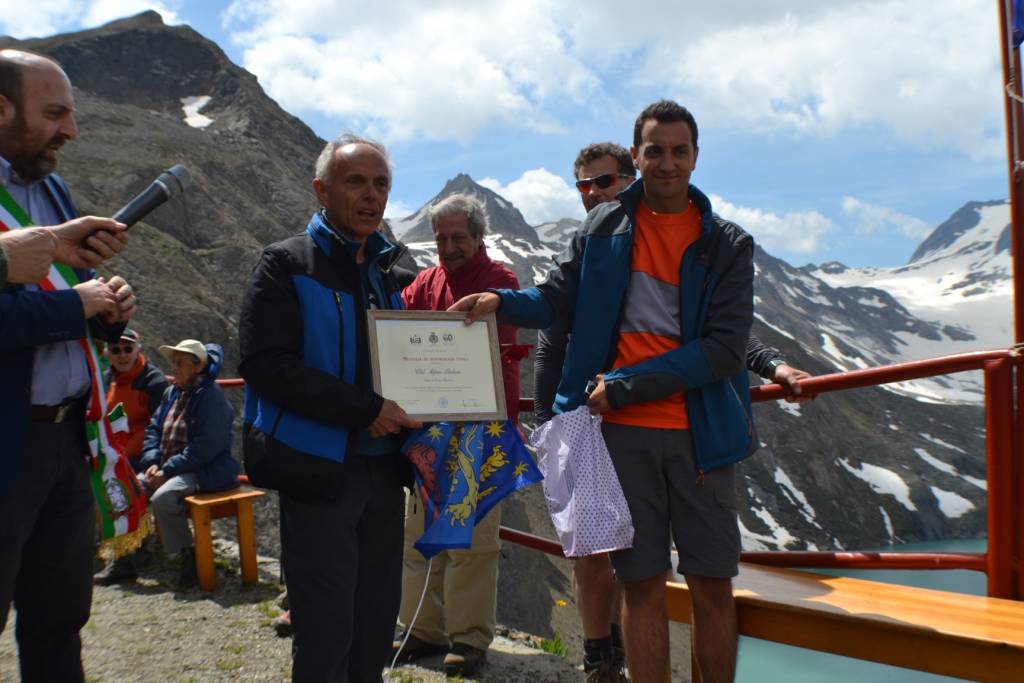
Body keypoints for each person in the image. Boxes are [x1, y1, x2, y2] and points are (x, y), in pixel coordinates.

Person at [452, 100, 757, 683]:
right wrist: (501, 303)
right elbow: (556, 298)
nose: (667, 163)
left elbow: (723, 349)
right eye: (655, 151)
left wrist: (625, 385)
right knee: (640, 585)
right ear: (637, 157)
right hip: (620, 436)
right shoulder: (603, 226)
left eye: (679, 150)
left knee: (712, 587)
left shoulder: (727, 244)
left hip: (700, 437)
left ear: (695, 157)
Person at [535, 142, 813, 682]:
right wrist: (551, 420)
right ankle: (601, 661)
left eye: (604, 181)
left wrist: (771, 362)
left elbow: (716, 332)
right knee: (601, 559)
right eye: (584, 186)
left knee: (659, 573)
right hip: (598, 425)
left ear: (629, 176)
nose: (594, 193)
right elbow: (552, 336)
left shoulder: (677, 238)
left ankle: (609, 658)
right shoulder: (594, 246)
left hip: (661, 423)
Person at [239, 133, 421, 683]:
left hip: (385, 474)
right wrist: (365, 409)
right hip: (319, 472)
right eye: (355, 182)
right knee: (324, 629)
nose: (371, 196)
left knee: (373, 623)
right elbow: (267, 364)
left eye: (381, 183)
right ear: (321, 190)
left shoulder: (392, 275)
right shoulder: (286, 264)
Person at [0, 49, 135, 682]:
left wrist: (108, 309)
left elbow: (67, 291)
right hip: (8, 439)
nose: (70, 131)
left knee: (59, 621)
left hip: (66, 439)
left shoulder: (51, 186)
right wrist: (73, 306)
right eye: (54, 113)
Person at [394, 194, 520, 677]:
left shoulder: (499, 283)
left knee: (473, 542)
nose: (448, 247)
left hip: (480, 435)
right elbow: (402, 332)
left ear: (478, 237)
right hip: (428, 433)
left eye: (458, 238)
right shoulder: (424, 283)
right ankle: (419, 630)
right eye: (442, 238)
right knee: (418, 537)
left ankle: (468, 640)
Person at [135, 339, 237, 589]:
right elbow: (154, 428)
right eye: (174, 362)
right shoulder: (172, 393)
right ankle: (132, 552)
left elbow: (205, 447)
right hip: (169, 466)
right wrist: (151, 460)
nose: (174, 367)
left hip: (202, 470)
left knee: (164, 497)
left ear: (197, 366)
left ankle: (187, 556)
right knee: (131, 488)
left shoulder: (210, 397)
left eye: (180, 363)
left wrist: (167, 469)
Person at [92, 328, 170, 585]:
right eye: (116, 349)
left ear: (138, 349)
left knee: (124, 491)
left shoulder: (153, 382)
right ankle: (96, 551)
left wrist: (133, 457)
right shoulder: (106, 380)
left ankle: (124, 562)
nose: (122, 354)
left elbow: (158, 429)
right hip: (116, 455)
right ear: (107, 353)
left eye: (128, 348)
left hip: (148, 458)